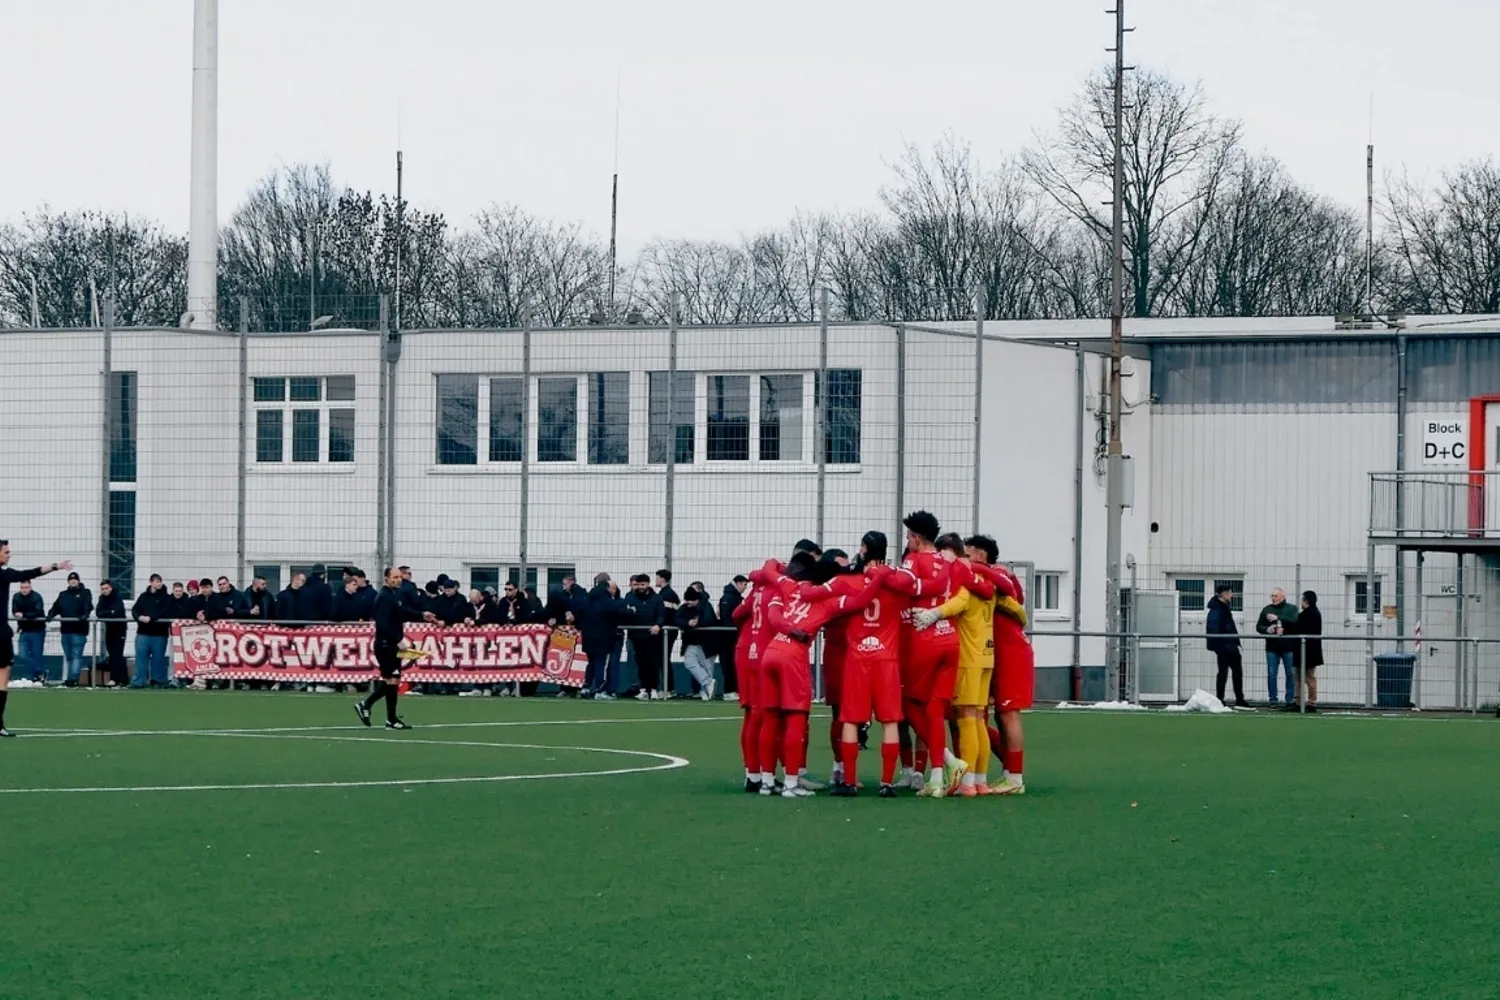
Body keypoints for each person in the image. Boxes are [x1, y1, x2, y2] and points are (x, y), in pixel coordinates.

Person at [802, 531, 904, 797]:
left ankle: (848, 781)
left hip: (858, 658)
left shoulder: (848, 581)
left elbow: (811, 594)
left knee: (849, 719)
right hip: (887, 658)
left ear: (863, 549)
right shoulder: (896, 581)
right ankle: (887, 783)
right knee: (891, 721)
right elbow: (922, 590)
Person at [883, 512, 962, 797]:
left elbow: (899, 583)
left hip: (924, 639)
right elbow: (950, 585)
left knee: (909, 703)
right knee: (935, 709)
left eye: (908, 536)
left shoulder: (914, 560)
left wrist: (878, 573)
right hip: (950, 637)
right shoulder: (946, 560)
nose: (907, 540)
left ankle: (948, 763)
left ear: (916, 537)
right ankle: (938, 778)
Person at [915, 535, 1000, 797]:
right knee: (978, 719)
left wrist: (933, 614)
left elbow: (959, 602)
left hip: (969, 658)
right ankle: (981, 781)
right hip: (987, 655)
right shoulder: (987, 580)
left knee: (967, 721)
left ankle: (968, 783)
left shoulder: (966, 578)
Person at [0, 541, 72, 737]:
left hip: (2, 631)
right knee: (2, 676)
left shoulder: (5, 574)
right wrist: (55, 566)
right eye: (6, 552)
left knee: (4, 673)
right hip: (0, 631)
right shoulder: (3, 574)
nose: (9, 555)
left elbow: (27, 574)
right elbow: (29, 573)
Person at [355, 566, 436, 730]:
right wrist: (397, 640)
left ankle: (385, 716)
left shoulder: (393, 595)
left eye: (400, 577)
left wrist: (421, 615)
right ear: (386, 579)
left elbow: (401, 612)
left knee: (393, 681)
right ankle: (372, 708)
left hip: (389, 644)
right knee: (392, 680)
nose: (399, 580)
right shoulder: (384, 597)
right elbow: (382, 624)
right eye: (395, 577)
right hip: (385, 645)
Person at [983, 559, 1034, 795]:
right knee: (986, 719)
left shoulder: (998, 574)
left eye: (969, 551)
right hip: (993, 655)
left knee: (1008, 715)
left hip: (1011, 654)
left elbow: (1012, 593)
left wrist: (977, 568)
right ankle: (1009, 771)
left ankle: (1015, 777)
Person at [48, 572, 94, 686]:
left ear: (78, 580)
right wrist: (50, 614)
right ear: (68, 581)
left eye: (75, 579)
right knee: (69, 656)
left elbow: (88, 605)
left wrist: (84, 615)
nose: (73, 581)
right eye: (71, 579)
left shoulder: (85, 593)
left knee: (76, 655)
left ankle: (74, 679)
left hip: (79, 630)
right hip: (66, 630)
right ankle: (70, 678)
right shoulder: (63, 595)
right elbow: (56, 607)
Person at [624, 575, 665, 700]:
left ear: (648, 584)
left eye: (643, 584)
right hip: (636, 636)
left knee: (652, 664)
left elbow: (661, 614)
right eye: (638, 584)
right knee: (640, 664)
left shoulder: (657, 598)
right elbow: (625, 612)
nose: (640, 587)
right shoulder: (630, 597)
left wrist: (658, 625)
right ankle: (643, 690)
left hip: (652, 637)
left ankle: (653, 689)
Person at [1206, 583, 1247, 708]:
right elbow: (1213, 628)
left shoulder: (1222, 607)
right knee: (1227, 672)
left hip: (1228, 644)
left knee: (1232, 672)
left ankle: (1234, 699)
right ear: (1224, 594)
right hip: (1225, 645)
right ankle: (1227, 699)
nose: (1232, 595)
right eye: (1230, 593)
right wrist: (1220, 645)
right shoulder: (1218, 609)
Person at [1256, 588, 1299, 708]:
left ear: (1283, 597)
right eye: (1272, 596)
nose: (1273, 598)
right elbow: (1259, 626)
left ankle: (1289, 700)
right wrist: (1267, 629)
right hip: (1272, 647)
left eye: (1275, 596)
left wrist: (1278, 619)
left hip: (1289, 646)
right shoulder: (1267, 609)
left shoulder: (1291, 608)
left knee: (1290, 673)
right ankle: (1273, 700)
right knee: (1272, 674)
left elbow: (1294, 621)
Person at [676, 584, 719, 701]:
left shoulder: (706, 606)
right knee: (689, 663)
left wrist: (696, 623)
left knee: (707, 667)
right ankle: (708, 683)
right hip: (691, 642)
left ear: (697, 599)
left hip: (707, 643)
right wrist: (688, 623)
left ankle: (706, 690)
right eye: (686, 600)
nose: (687, 602)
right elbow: (677, 619)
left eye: (690, 600)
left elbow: (708, 620)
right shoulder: (684, 607)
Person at [130, 574, 172, 688]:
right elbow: (135, 609)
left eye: (160, 581)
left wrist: (150, 618)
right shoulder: (143, 596)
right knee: (140, 658)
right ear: (151, 582)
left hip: (159, 633)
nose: (159, 583)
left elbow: (164, 612)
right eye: (157, 581)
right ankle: (138, 681)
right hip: (143, 633)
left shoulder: (166, 597)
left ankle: (157, 681)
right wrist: (139, 617)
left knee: (158, 659)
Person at [1291, 591, 1323, 712]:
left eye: (1302, 600)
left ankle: (1311, 703)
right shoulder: (1312, 613)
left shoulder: (1310, 615)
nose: (1301, 603)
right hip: (1305, 651)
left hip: (1308, 652)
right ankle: (1299, 702)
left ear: (1306, 601)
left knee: (1308, 677)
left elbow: (1299, 629)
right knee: (1299, 677)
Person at [718, 575, 748, 701]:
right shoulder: (728, 598)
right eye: (745, 585)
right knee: (729, 663)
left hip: (735, 635)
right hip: (728, 637)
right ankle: (729, 690)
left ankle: (735, 690)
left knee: (735, 663)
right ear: (739, 583)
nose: (745, 588)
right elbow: (726, 617)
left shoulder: (735, 597)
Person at [11, 578, 47, 683]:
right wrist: (16, 613)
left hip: (37, 630)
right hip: (24, 629)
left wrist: (24, 615)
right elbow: (14, 609)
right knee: (23, 654)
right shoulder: (16, 597)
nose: (24, 590)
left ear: (30, 587)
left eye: (26, 587)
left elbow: (38, 611)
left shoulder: (36, 597)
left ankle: (37, 676)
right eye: (22, 587)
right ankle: (40, 672)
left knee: (36, 654)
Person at [96, 580, 130, 687]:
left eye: (106, 588)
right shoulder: (101, 598)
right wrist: (109, 612)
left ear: (110, 588)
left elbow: (117, 612)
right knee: (112, 654)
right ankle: (122, 679)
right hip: (109, 629)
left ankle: (116, 679)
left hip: (120, 629)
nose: (104, 591)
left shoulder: (117, 597)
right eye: (102, 589)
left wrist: (108, 613)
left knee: (117, 654)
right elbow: (98, 613)